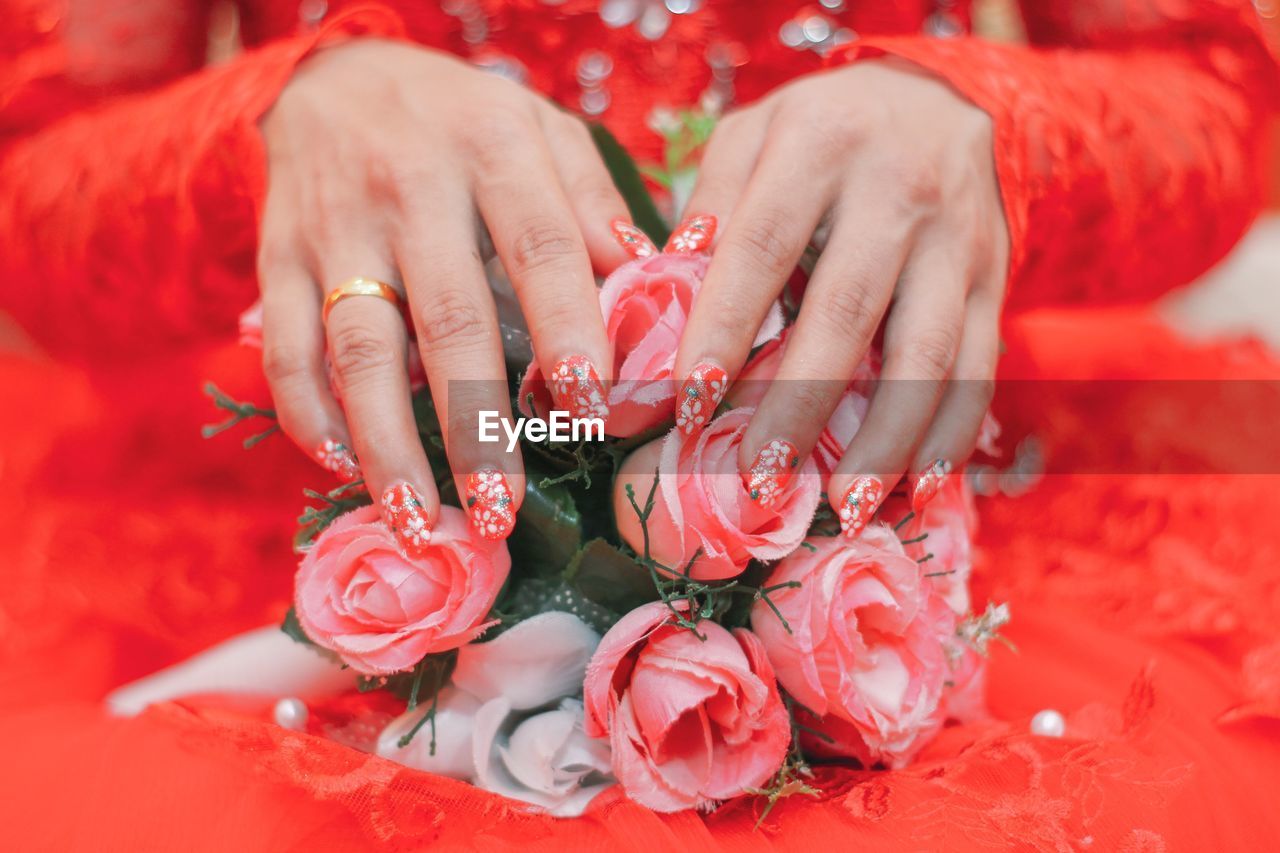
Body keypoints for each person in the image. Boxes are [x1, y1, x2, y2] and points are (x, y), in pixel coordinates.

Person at [0, 0, 1277, 848]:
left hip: (909, 512)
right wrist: (272, 128)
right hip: (335, 492)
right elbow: (32, 190)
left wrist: (994, 133)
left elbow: (1216, 98)